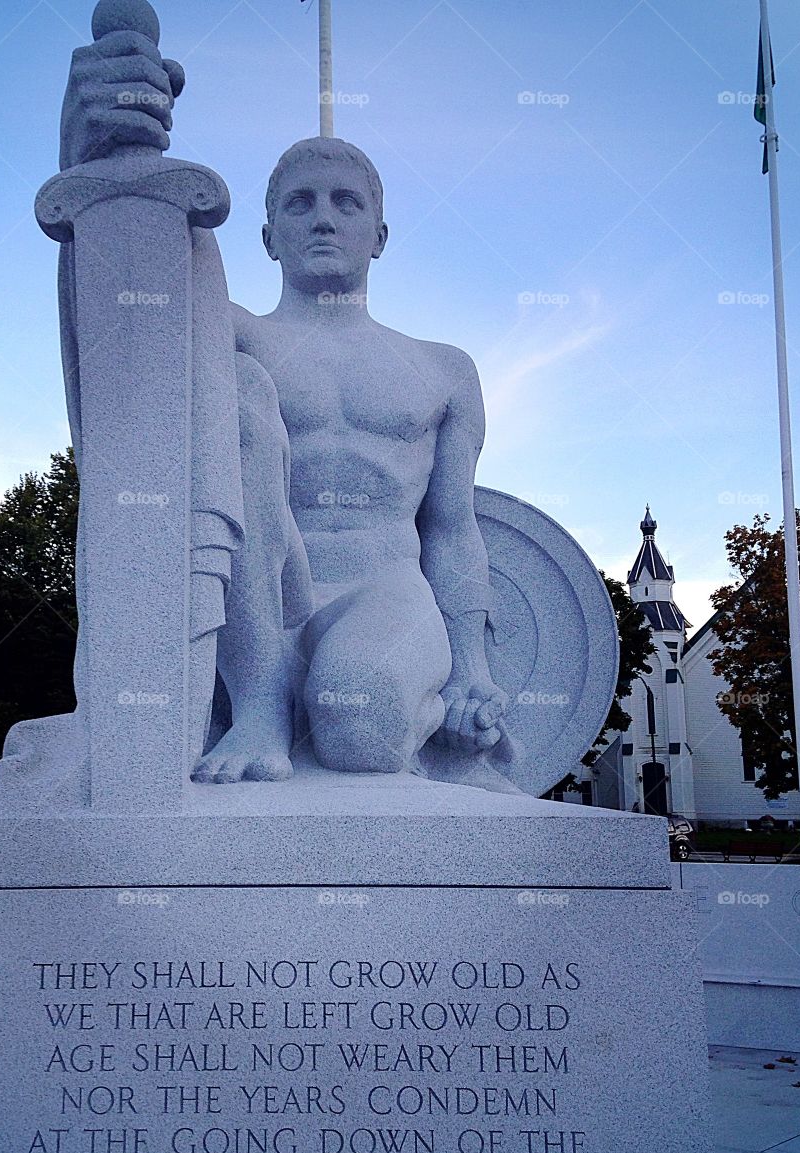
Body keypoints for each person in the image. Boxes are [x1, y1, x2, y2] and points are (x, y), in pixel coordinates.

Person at [60, 32, 512, 785]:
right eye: (299, 203)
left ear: (380, 235)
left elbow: (454, 529)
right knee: (235, 392)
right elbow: (115, 336)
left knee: (359, 726)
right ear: (268, 235)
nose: (323, 218)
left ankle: (417, 708)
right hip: (259, 605)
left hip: (384, 597)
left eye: (346, 203)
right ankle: (261, 705)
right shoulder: (226, 332)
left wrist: (471, 667)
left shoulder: (443, 369)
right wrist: (92, 166)